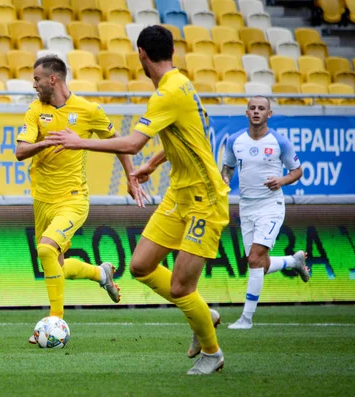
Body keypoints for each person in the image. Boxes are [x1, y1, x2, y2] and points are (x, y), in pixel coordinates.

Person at [46, 25, 228, 375]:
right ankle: (203, 315)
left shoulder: (167, 93)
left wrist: (78, 141)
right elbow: (189, 136)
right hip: (180, 193)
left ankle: (211, 353)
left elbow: (131, 142)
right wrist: (153, 164)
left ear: (142, 54)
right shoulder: (182, 84)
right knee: (141, 266)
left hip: (205, 199)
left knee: (180, 286)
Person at [15, 55, 144, 344]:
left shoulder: (88, 110)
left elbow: (118, 143)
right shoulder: (36, 111)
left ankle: (55, 322)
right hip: (42, 201)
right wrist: (43, 143)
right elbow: (20, 151)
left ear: (53, 79)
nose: (33, 84)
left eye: (37, 79)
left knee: (46, 251)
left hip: (73, 199)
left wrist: (131, 176)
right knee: (56, 267)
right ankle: (101, 273)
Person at [221, 96, 310, 330]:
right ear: (247, 113)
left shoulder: (280, 142)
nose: (257, 112)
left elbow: (297, 171)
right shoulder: (234, 141)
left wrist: (281, 180)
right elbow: (228, 167)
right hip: (246, 207)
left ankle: (246, 319)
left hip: (270, 207)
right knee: (258, 263)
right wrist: (224, 180)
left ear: (269, 114)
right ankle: (294, 261)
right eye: (253, 108)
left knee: (254, 259)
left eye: (262, 108)